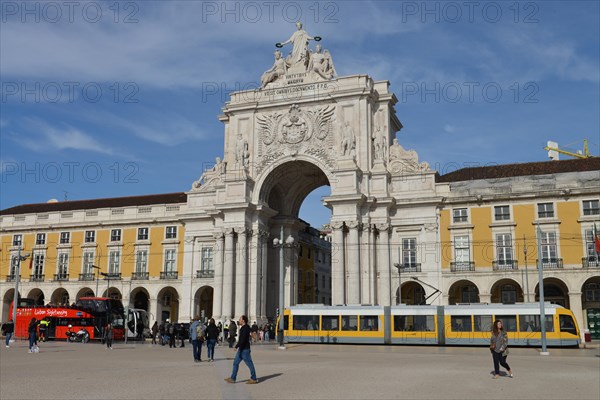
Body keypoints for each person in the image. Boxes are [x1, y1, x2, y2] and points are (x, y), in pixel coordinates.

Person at [224, 315, 258, 384]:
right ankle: (233, 378)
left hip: (245, 349)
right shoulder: (244, 328)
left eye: (240, 319)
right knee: (235, 363)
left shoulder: (245, 328)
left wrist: (236, 346)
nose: (239, 320)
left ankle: (254, 378)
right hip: (241, 349)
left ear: (243, 321)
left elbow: (243, 339)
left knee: (249, 364)